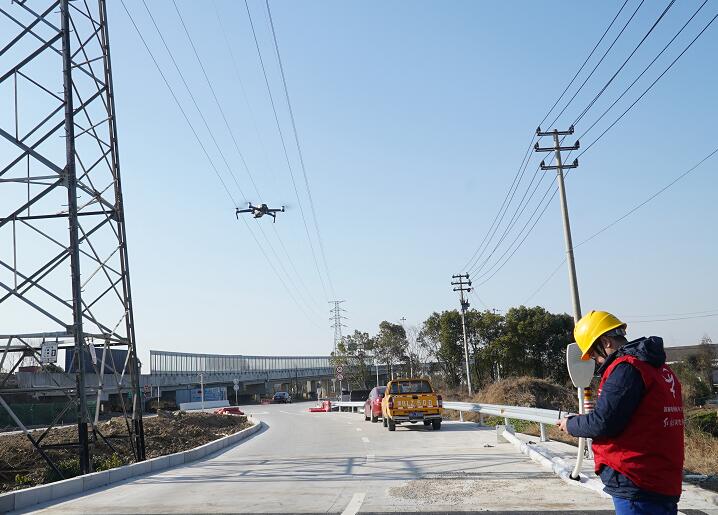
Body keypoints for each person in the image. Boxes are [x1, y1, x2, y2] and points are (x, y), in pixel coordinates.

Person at [557, 310, 684, 515]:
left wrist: (570, 424)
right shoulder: (659, 369)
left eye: (594, 354)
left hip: (636, 479)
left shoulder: (625, 368)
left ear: (606, 342)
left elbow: (604, 422)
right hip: (661, 477)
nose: (597, 361)